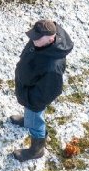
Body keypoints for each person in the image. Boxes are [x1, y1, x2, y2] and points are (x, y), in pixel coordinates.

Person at [10, 18, 72, 161]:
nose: (33, 40)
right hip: (28, 87)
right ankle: (27, 119)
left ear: (51, 39)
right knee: (30, 115)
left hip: (34, 99)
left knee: (36, 121)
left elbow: (49, 91)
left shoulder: (52, 66)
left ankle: (36, 150)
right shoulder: (40, 44)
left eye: (37, 38)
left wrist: (30, 100)